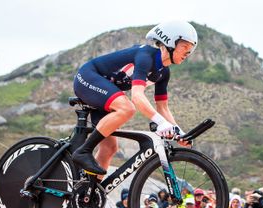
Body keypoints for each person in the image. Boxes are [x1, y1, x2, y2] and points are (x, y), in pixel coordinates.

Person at [70, 21, 198, 177]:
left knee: (109, 148)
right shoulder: (145, 56)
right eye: (185, 47)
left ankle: (89, 195)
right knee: (127, 108)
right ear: (170, 42)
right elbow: (137, 96)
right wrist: (160, 122)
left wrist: (179, 133)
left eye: (190, 50)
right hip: (88, 77)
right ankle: (83, 151)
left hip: (104, 93)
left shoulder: (164, 73)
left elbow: (162, 107)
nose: (188, 53)